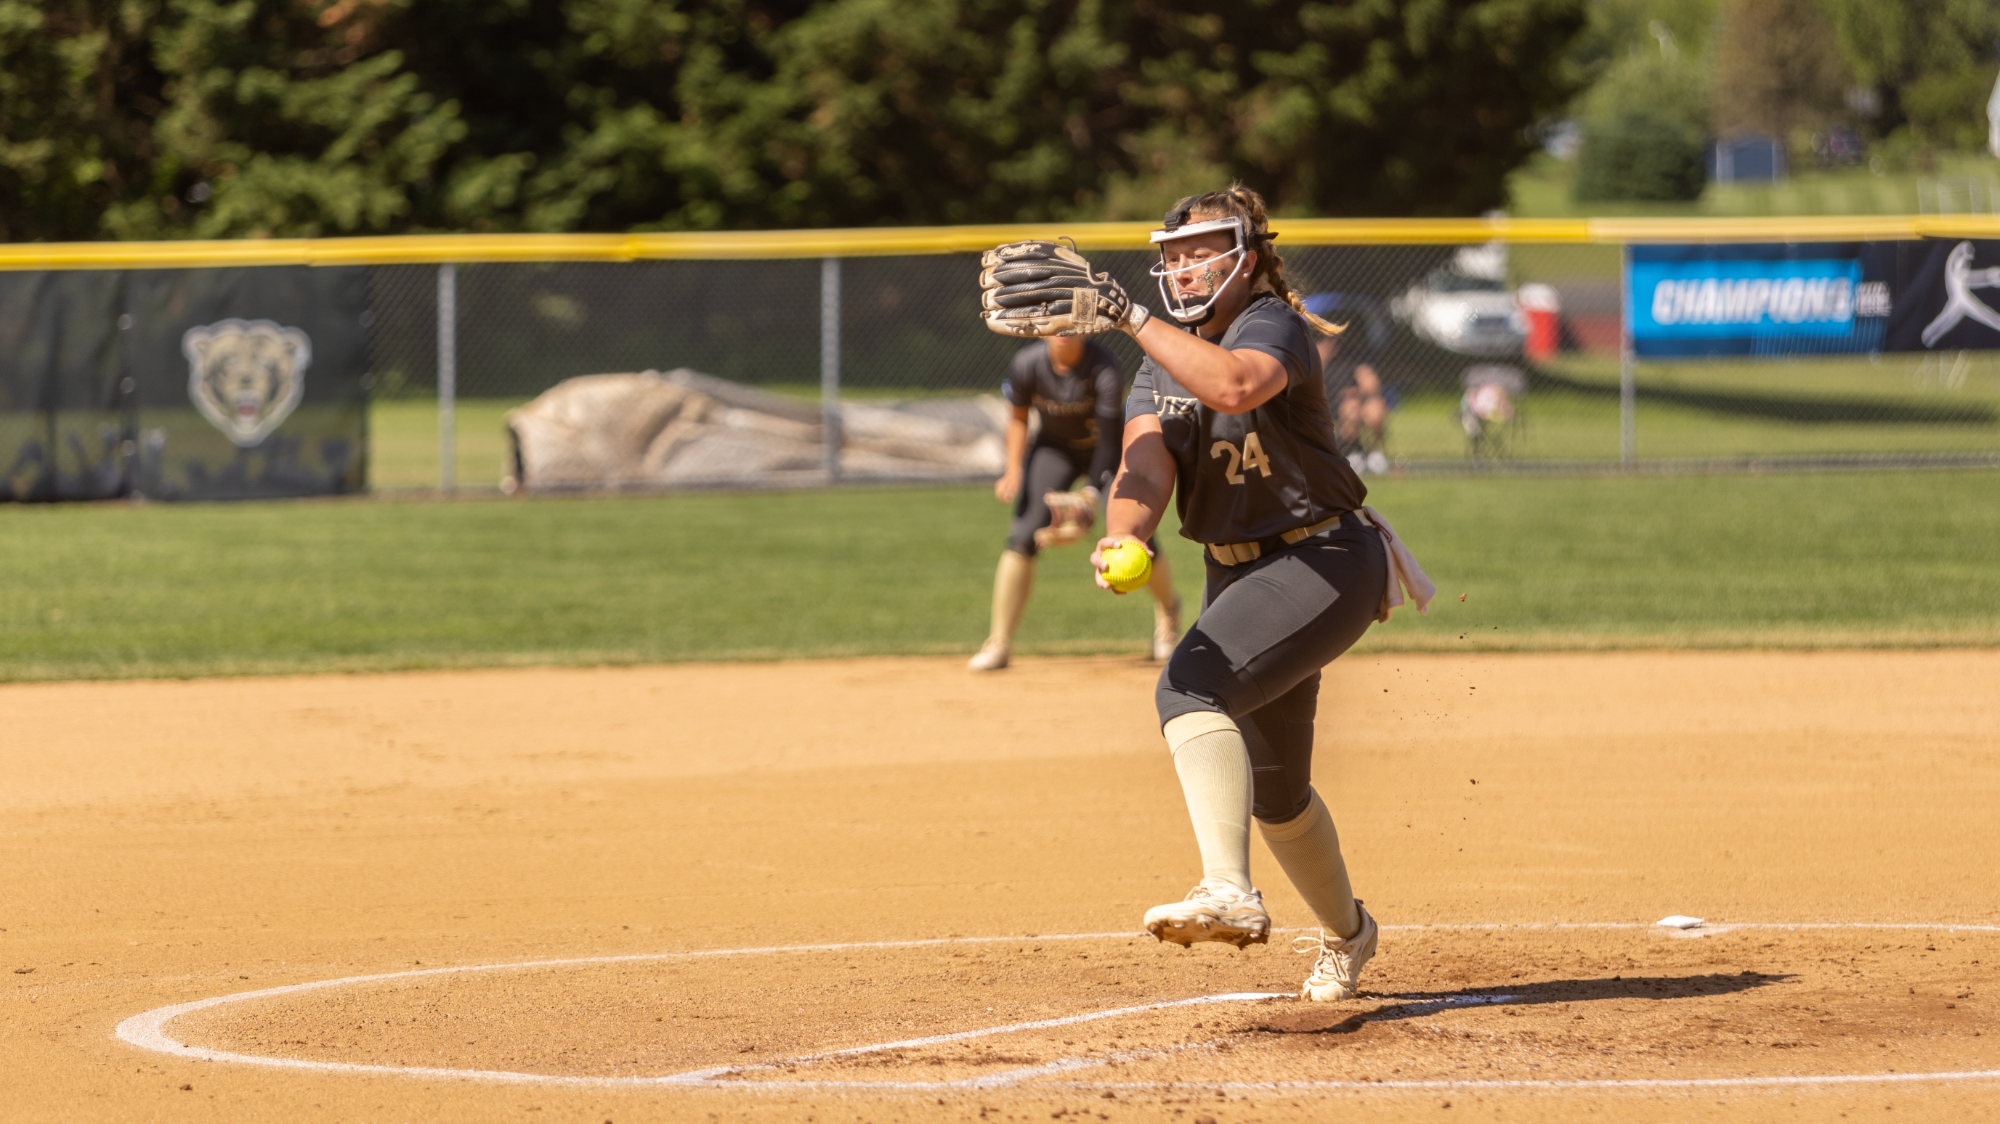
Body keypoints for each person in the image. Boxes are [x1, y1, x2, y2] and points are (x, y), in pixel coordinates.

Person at [976, 183, 1432, 1001]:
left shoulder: (1272, 325)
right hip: (1238, 568)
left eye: (1202, 251)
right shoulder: (1157, 358)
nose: (1183, 268)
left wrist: (1125, 315)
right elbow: (1144, 465)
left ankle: (1228, 889)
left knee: (1188, 685)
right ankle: (1350, 936)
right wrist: (1127, 533)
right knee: (1277, 790)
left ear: (1245, 259)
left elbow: (1231, 387)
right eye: (1173, 254)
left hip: (1325, 558)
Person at [968, 335, 1182, 672]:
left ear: (1087, 328)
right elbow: (1019, 418)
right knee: (1022, 536)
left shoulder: (1104, 366)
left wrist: (1090, 496)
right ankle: (999, 641)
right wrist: (1013, 468)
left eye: (1072, 322)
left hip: (1103, 450)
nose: (1063, 331)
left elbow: (1110, 440)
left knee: (1136, 536)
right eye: (1056, 322)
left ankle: (1169, 610)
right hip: (1054, 448)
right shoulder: (1027, 363)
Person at [1302, 294, 1390, 475]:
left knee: (1376, 408)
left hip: (1356, 399)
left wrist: (1362, 390)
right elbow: (1307, 383)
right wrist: (1323, 358)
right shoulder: (1315, 356)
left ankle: (1375, 454)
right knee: (1351, 407)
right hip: (1327, 402)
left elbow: (1371, 383)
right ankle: (1354, 452)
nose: (1333, 339)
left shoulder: (1354, 356)